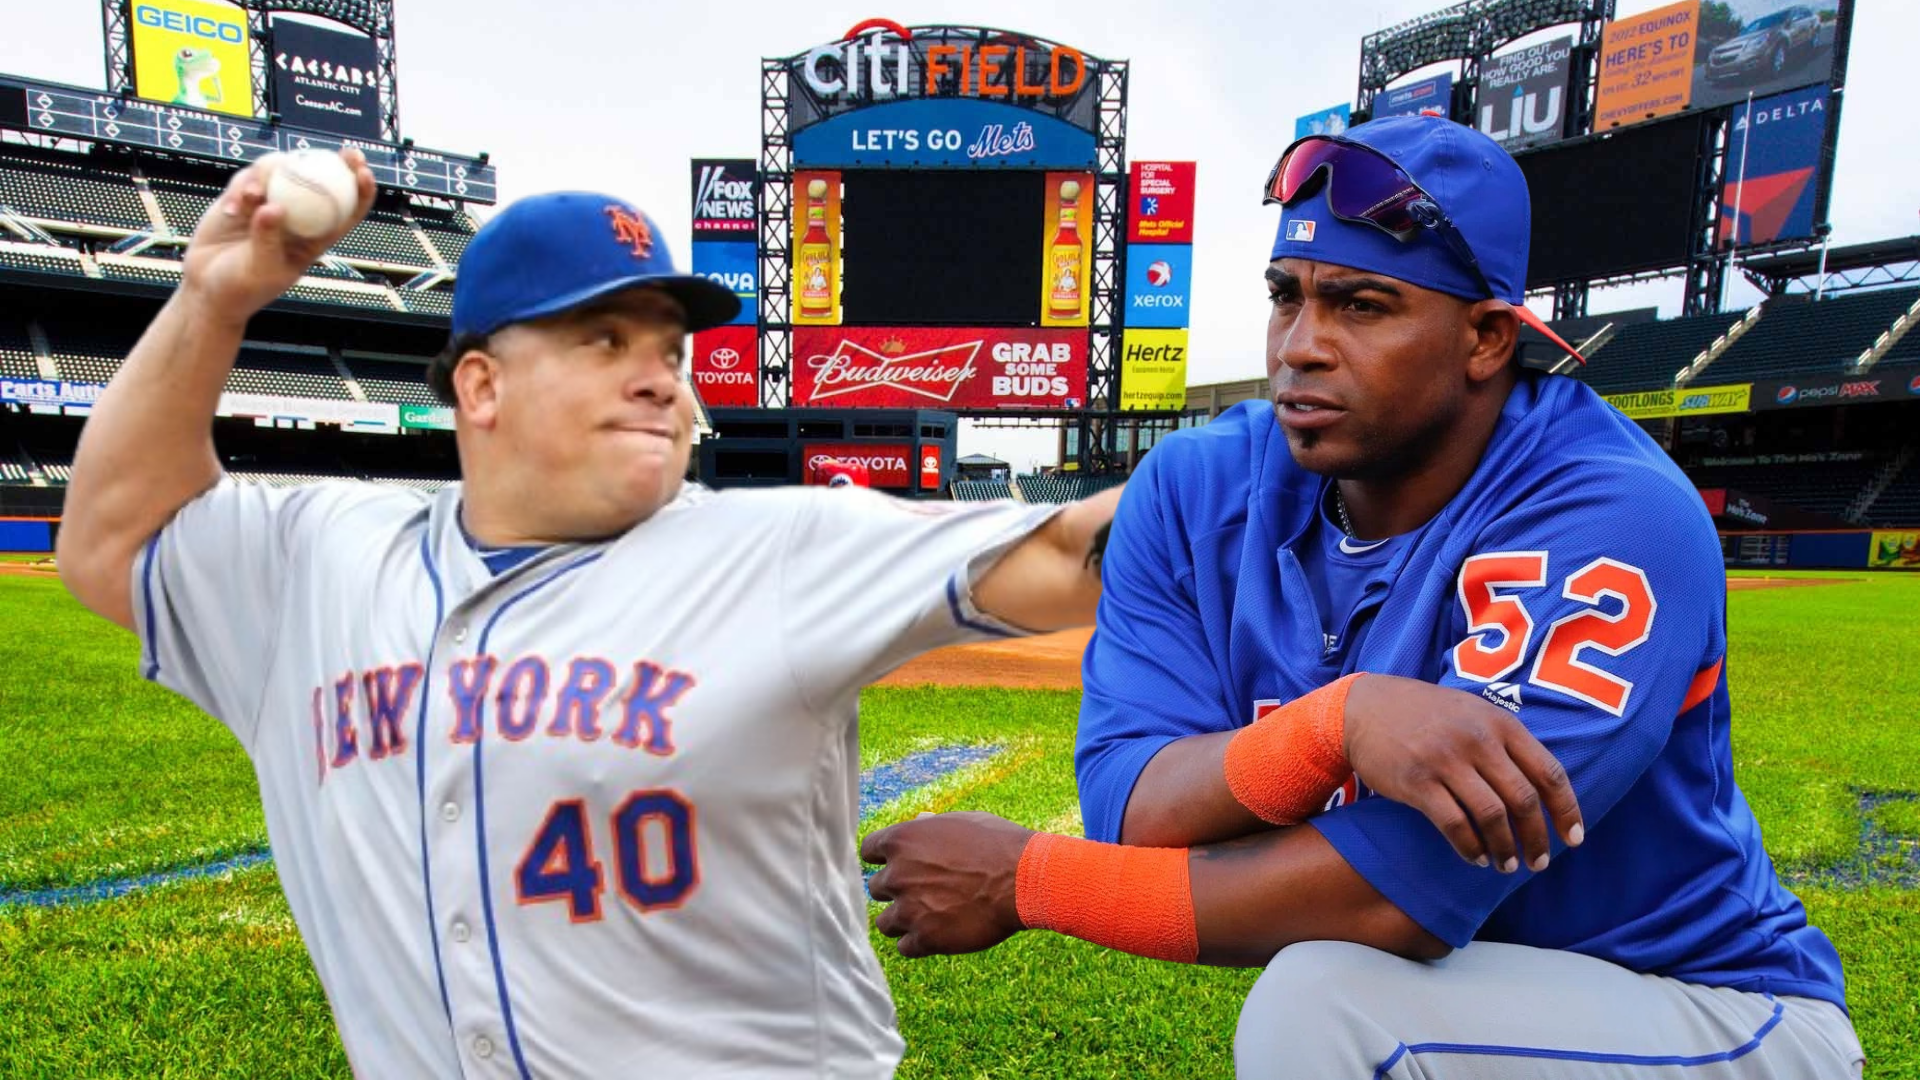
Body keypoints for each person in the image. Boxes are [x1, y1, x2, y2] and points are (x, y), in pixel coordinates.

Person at [54, 150, 1126, 1077]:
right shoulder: (319, 558)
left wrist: (1285, 448)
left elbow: (1075, 549)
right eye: (605, 341)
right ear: (480, 387)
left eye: (667, 349)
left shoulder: (778, 549)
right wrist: (211, 300)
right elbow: (112, 542)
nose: (661, 378)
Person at [861, 115, 1863, 1078]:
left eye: (1360, 305)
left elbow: (1403, 896)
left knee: (1328, 1000)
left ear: (1483, 337)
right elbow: (1134, 807)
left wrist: (1029, 879)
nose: (1300, 343)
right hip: (1460, 1005)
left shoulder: (1610, 511)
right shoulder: (1195, 486)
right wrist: (1331, 727)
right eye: (1285, 295)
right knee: (1345, 995)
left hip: (1703, 1011)